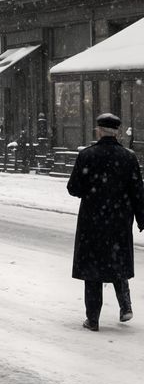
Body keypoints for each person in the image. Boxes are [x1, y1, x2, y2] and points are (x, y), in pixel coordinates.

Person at [67, 112, 144, 330]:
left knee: (93, 270)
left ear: (99, 131)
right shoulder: (129, 158)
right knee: (117, 262)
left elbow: (73, 188)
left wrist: (91, 190)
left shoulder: (87, 155)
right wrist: (141, 218)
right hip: (119, 220)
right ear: (117, 132)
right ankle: (125, 306)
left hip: (92, 222)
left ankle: (93, 319)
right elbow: (138, 191)